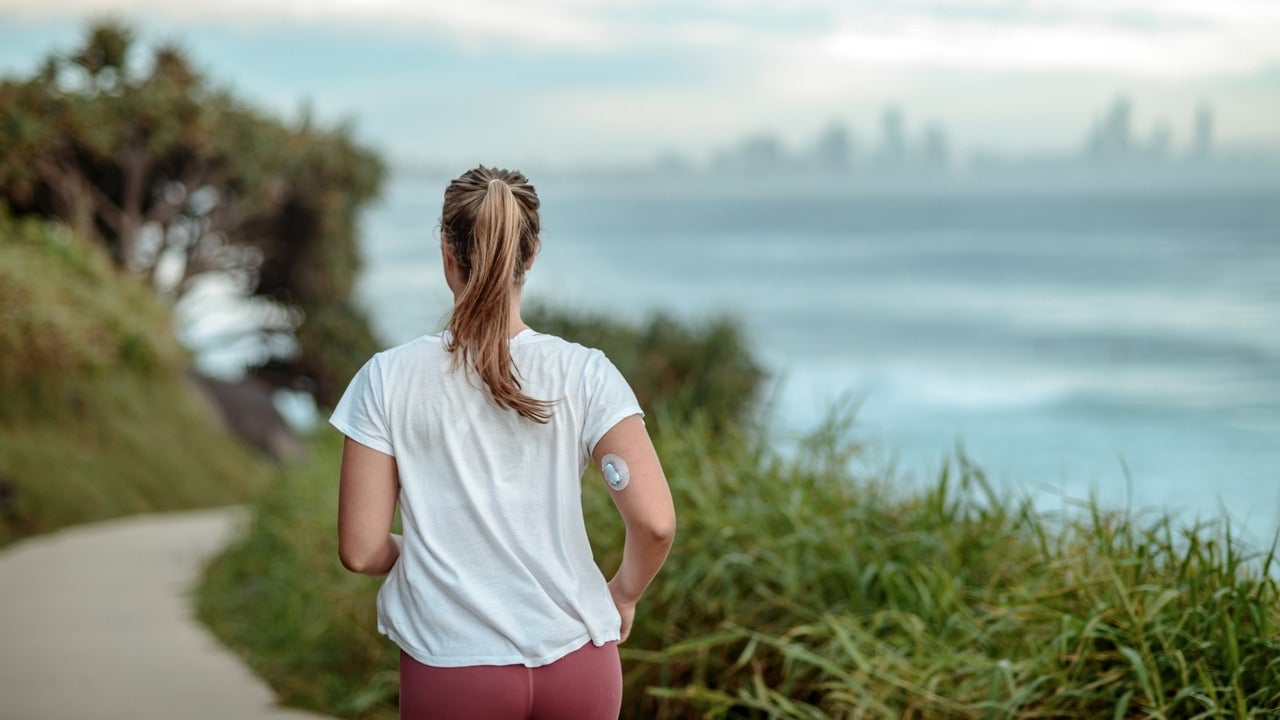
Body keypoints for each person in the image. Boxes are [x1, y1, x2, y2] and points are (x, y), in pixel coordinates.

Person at [329, 165, 676, 720]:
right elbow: (656, 523)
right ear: (532, 253)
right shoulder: (586, 373)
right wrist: (624, 594)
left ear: (447, 250)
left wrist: (416, 550)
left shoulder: (386, 379)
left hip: (452, 669)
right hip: (580, 662)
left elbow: (360, 549)